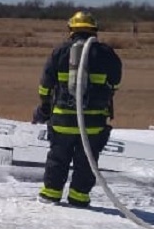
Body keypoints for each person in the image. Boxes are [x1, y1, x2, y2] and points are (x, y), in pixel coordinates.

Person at [33, 11, 122, 207]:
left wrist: (45, 107)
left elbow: (45, 86)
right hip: (93, 123)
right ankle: (79, 198)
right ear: (94, 30)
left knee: (58, 157)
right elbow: (115, 84)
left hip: (62, 120)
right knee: (87, 161)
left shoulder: (60, 52)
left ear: (71, 30)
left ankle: (50, 194)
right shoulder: (107, 54)